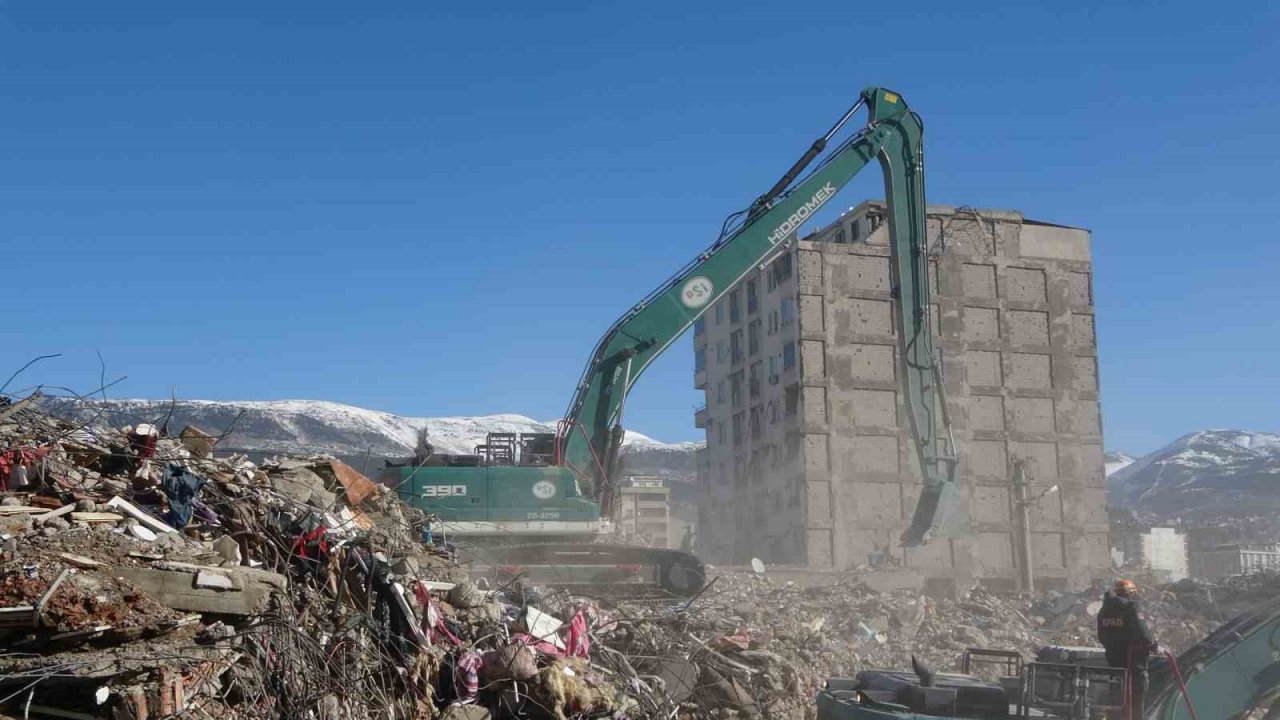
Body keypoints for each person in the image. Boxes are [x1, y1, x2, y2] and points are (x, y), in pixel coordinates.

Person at [1098, 578, 1161, 717]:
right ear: (1131, 593)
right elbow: (1142, 632)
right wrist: (1155, 646)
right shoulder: (1131, 607)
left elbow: (1102, 637)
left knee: (1117, 698)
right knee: (1137, 699)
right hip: (1135, 663)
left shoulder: (1104, 610)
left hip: (1114, 662)